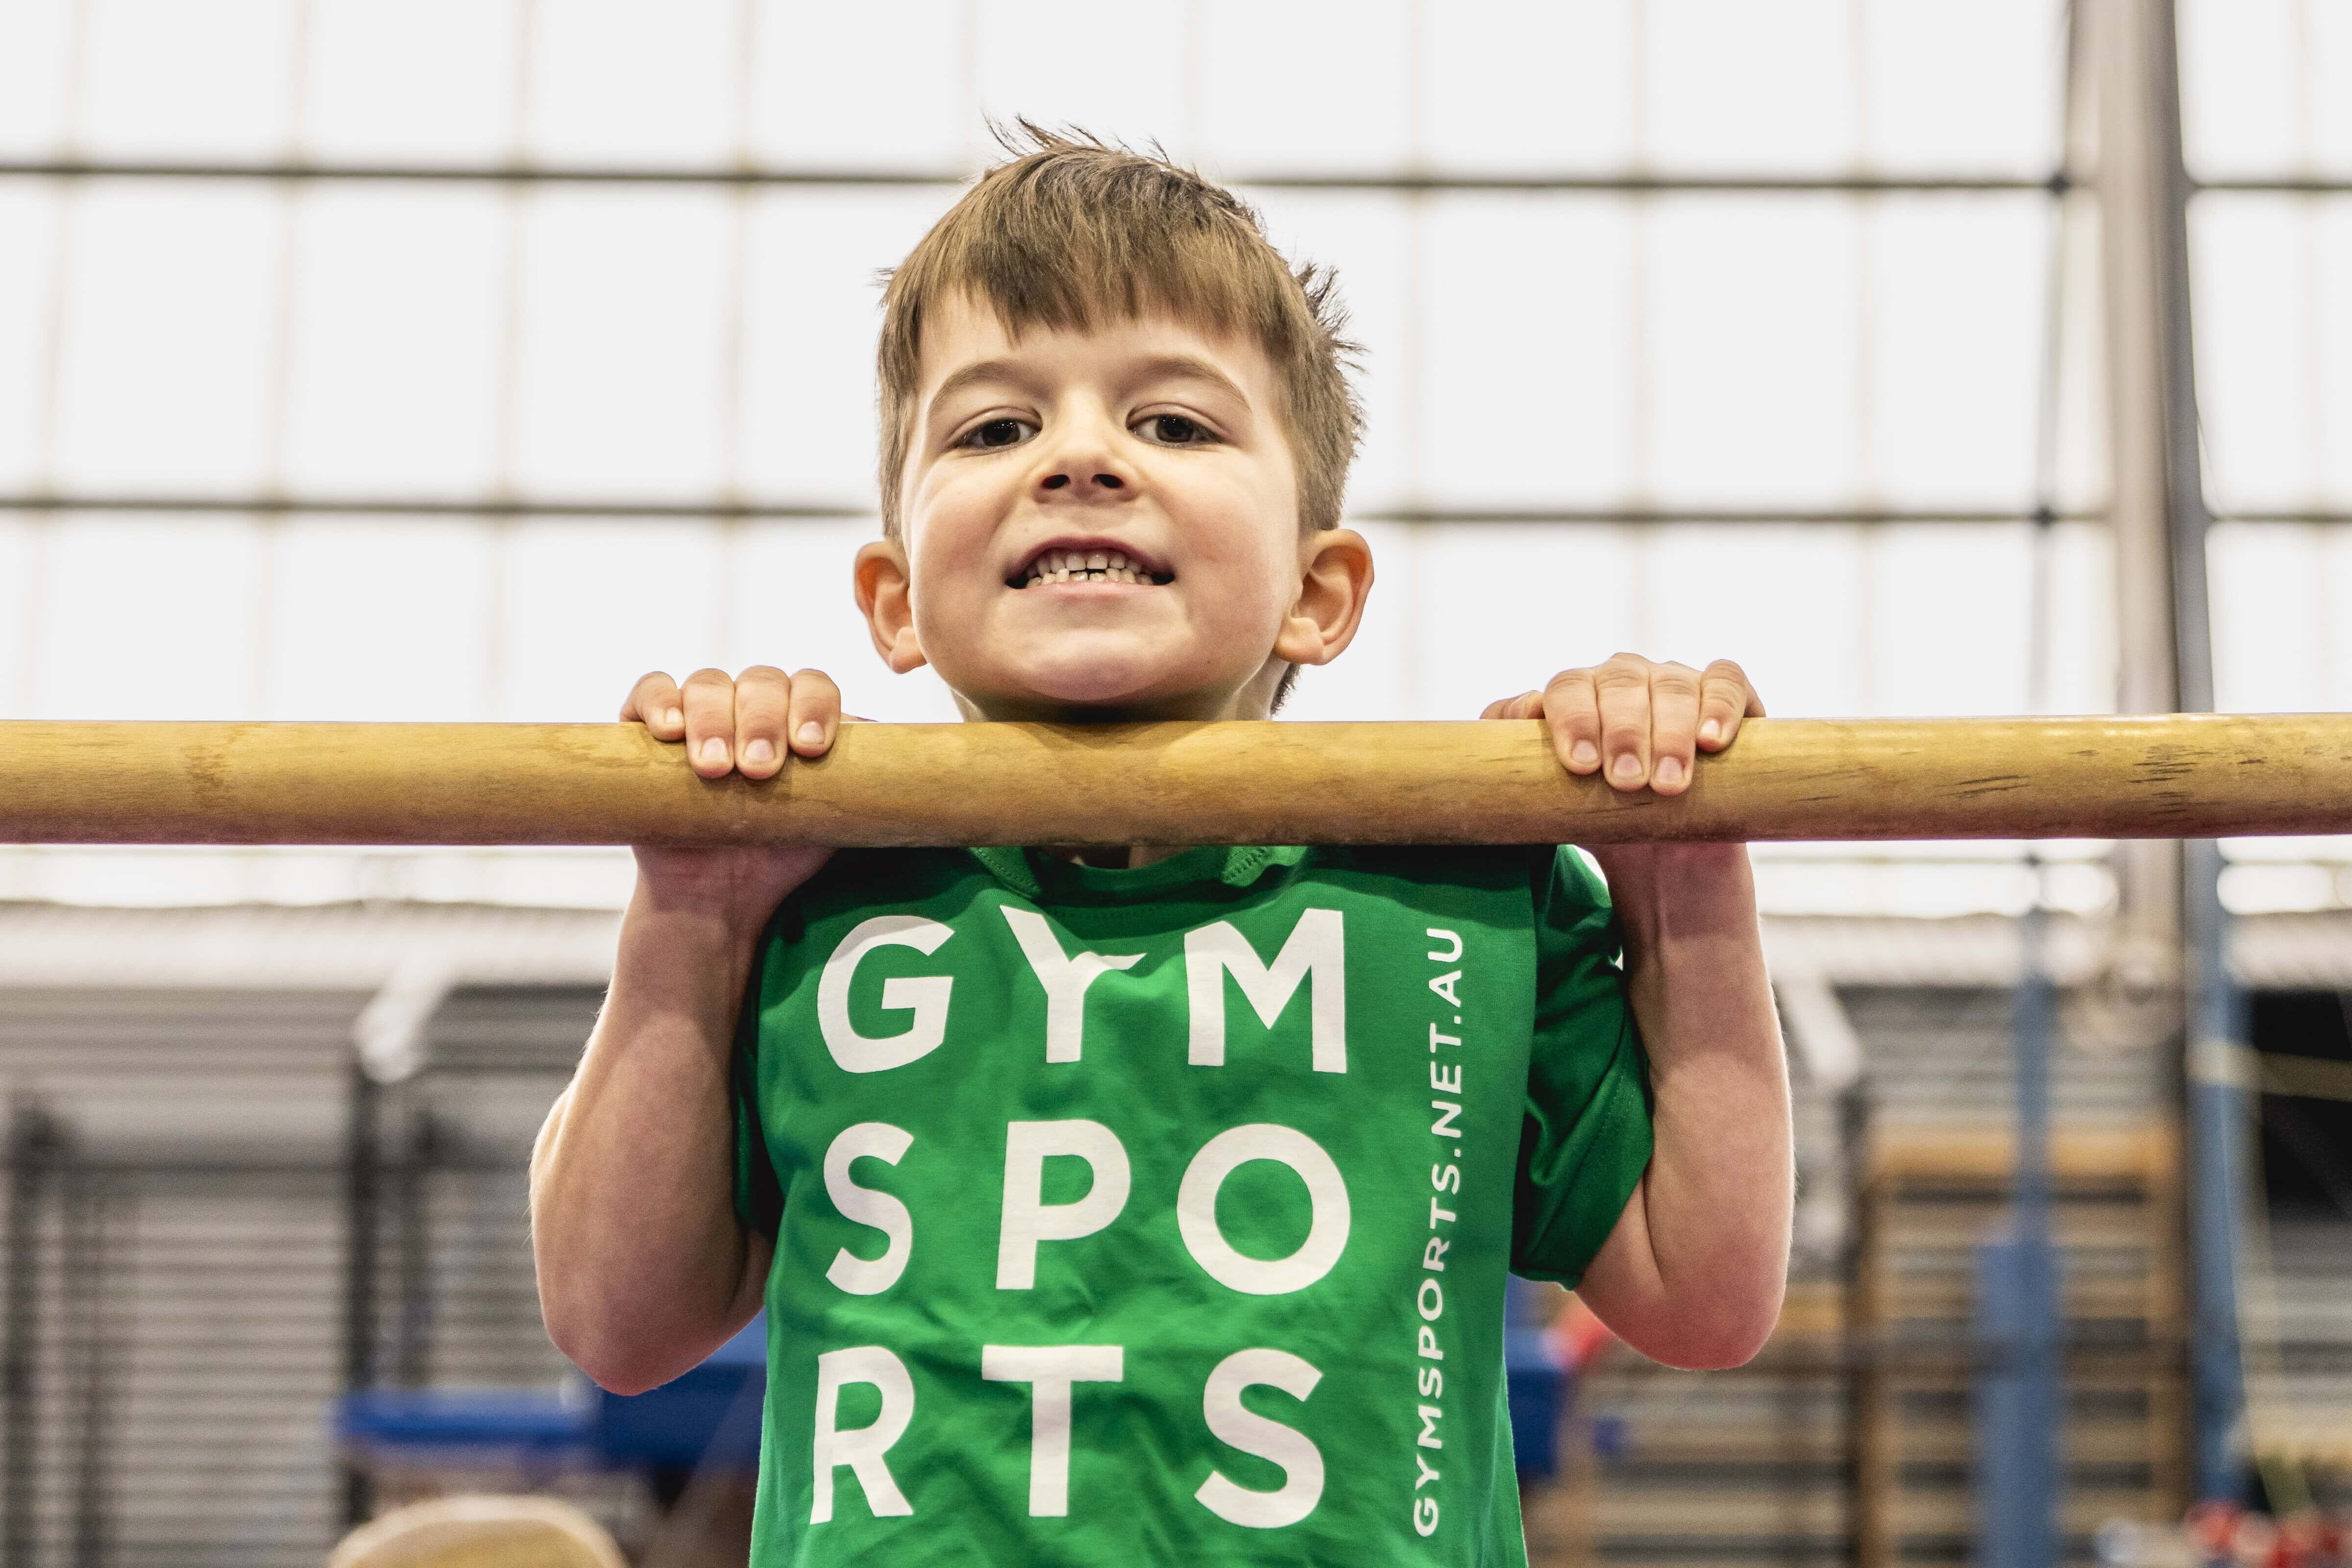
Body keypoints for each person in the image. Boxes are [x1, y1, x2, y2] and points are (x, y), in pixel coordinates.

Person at [529, 127, 1791, 1566]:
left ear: (1320, 592)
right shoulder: (808, 888)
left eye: (1176, 424)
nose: (1079, 456)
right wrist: (691, 913)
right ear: (891, 599)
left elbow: (1705, 1298)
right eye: (993, 429)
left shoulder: (1463, 890)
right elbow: (619, 1323)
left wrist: (1684, 877)